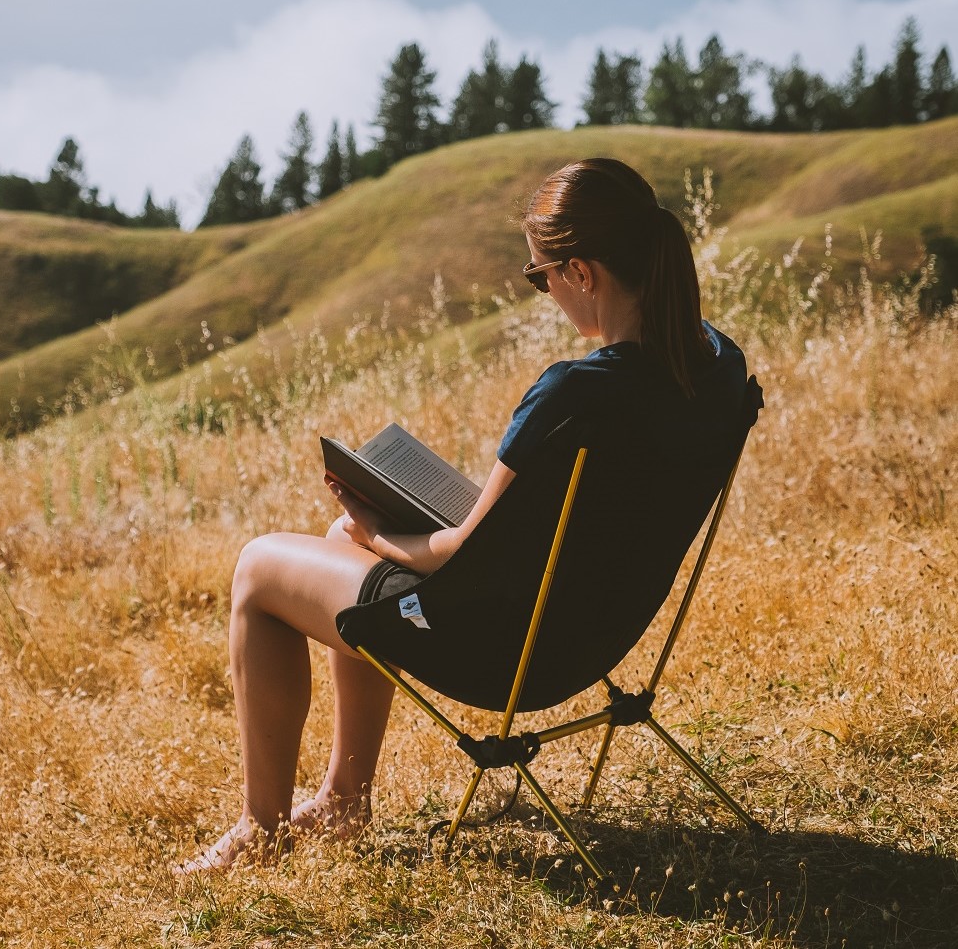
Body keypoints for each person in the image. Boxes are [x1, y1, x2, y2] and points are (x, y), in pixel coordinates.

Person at [177, 157, 754, 874]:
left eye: (539, 275)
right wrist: (367, 531)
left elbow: (460, 555)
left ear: (582, 272)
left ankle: (259, 831)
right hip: (595, 632)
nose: (543, 291)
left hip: (504, 650)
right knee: (336, 540)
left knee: (260, 567)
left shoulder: (572, 394)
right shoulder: (718, 367)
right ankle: (341, 797)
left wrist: (376, 525)